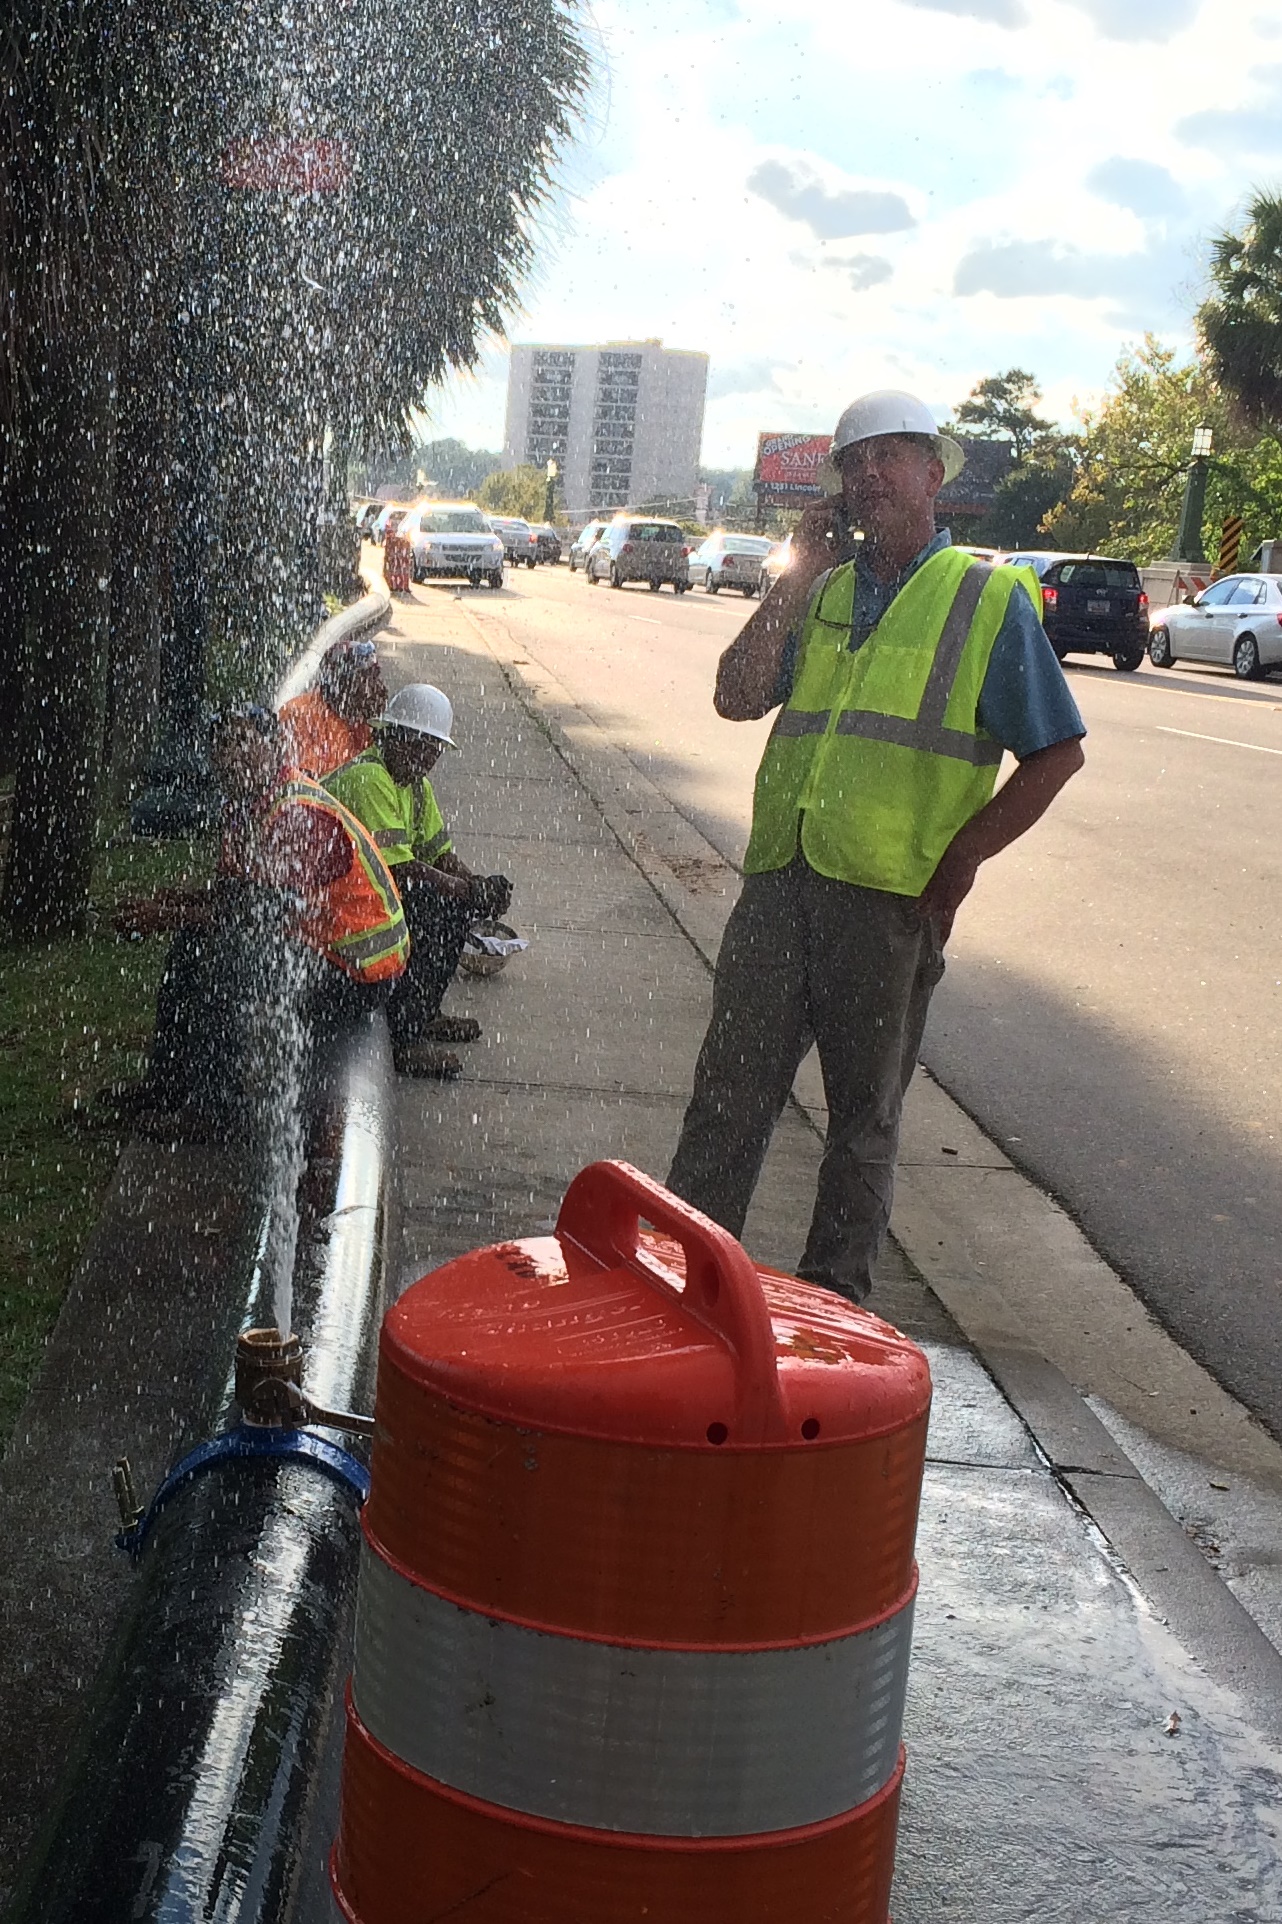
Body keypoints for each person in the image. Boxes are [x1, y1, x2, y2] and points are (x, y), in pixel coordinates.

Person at [666, 390, 1086, 1305]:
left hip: (889, 902)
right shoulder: (822, 593)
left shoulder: (982, 599)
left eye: (890, 456)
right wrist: (793, 574)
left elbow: (1058, 752)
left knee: (862, 1126)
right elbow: (737, 698)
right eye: (854, 462)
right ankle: (682, 1297)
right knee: (727, 1102)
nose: (869, 475)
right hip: (782, 884)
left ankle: (832, 1315)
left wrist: (965, 858)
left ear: (933, 475)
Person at [112, 706, 408, 1137]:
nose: (231, 755)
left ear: (274, 748)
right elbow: (238, 893)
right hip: (321, 947)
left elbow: (257, 917)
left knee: (232, 958)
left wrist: (164, 915)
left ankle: (217, 1112)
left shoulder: (297, 813)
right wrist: (173, 902)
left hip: (358, 969)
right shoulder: (247, 806)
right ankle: (169, 1088)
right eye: (222, 745)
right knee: (193, 945)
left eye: (243, 741)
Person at [325, 683, 513, 1079]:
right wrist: (466, 891)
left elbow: (438, 853)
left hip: (368, 899)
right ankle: (402, 1041)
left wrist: (477, 885)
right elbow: (399, 870)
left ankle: (423, 1015)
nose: (425, 758)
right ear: (391, 735)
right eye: (416, 745)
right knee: (432, 907)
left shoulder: (416, 786)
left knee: (450, 904)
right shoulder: (370, 779)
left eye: (433, 750)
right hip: (335, 908)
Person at [279, 635, 387, 778]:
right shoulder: (302, 715)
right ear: (344, 682)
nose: (378, 686)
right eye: (368, 678)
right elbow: (303, 786)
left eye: (376, 676)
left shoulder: (358, 721)